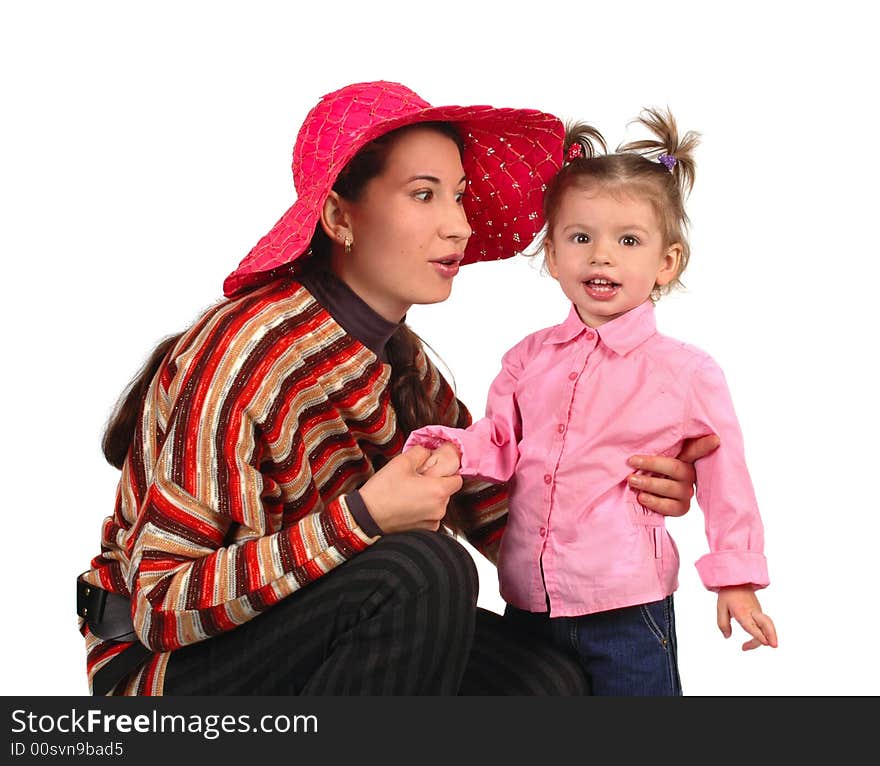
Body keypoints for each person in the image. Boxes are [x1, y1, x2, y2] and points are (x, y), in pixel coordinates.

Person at [77, 82, 716, 696]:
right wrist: (363, 518)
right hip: (164, 671)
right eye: (423, 195)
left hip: (311, 633)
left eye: (459, 197)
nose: (458, 227)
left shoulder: (401, 362)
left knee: (551, 680)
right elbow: (163, 605)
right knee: (425, 571)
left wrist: (621, 478)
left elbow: (504, 508)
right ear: (338, 216)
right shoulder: (248, 354)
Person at [405, 109, 777, 696]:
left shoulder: (685, 371)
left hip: (626, 608)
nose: (602, 257)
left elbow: (725, 477)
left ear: (666, 263)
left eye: (628, 241)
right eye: (581, 238)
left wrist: (736, 578)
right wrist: (450, 448)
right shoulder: (528, 358)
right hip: (529, 601)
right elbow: (500, 442)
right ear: (552, 255)